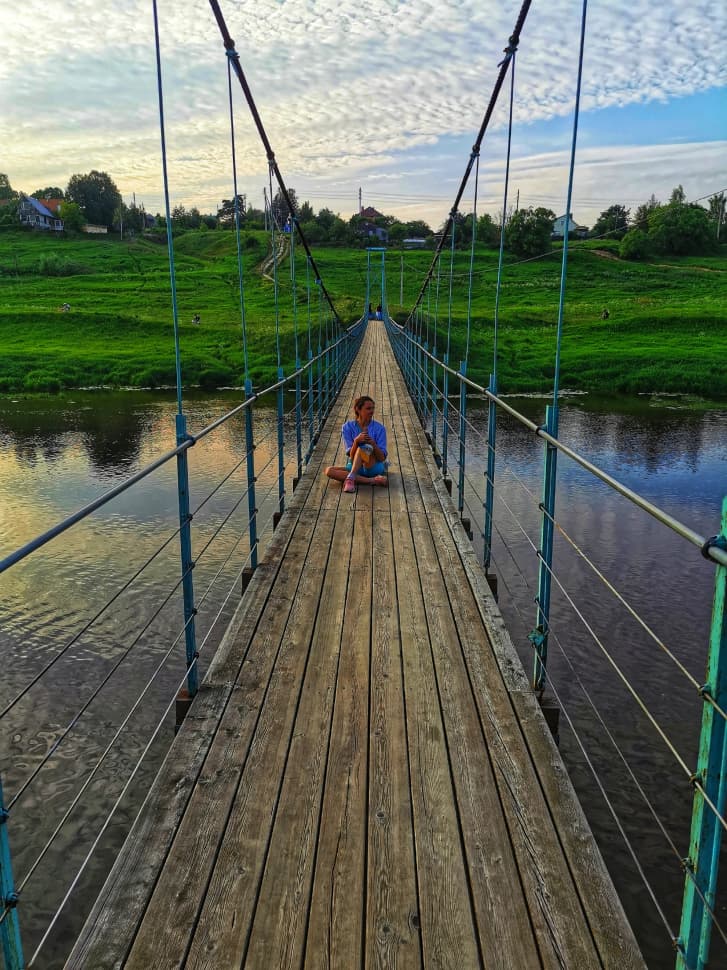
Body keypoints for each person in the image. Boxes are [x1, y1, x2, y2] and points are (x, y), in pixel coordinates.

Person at [325, 395, 388, 493]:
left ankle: (350, 478)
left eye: (373, 408)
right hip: (355, 466)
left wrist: (373, 444)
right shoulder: (347, 427)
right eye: (368, 408)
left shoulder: (380, 428)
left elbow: (382, 458)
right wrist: (356, 441)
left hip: (372, 466)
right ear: (358, 409)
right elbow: (351, 457)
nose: (372, 411)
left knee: (364, 448)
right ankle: (371, 480)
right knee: (328, 470)